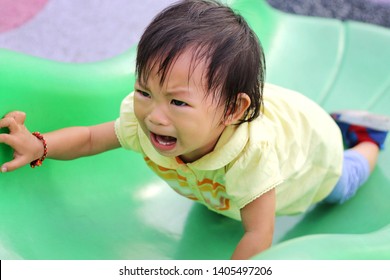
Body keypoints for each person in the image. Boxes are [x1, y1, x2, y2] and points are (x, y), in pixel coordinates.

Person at [0, 0, 389, 260]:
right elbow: (88, 138)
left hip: (310, 155)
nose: (154, 115)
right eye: (143, 91)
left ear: (232, 111)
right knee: (221, 204)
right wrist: (40, 146)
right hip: (245, 142)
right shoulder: (148, 118)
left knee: (344, 185)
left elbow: (258, 235)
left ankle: (367, 136)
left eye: (178, 102)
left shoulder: (252, 159)